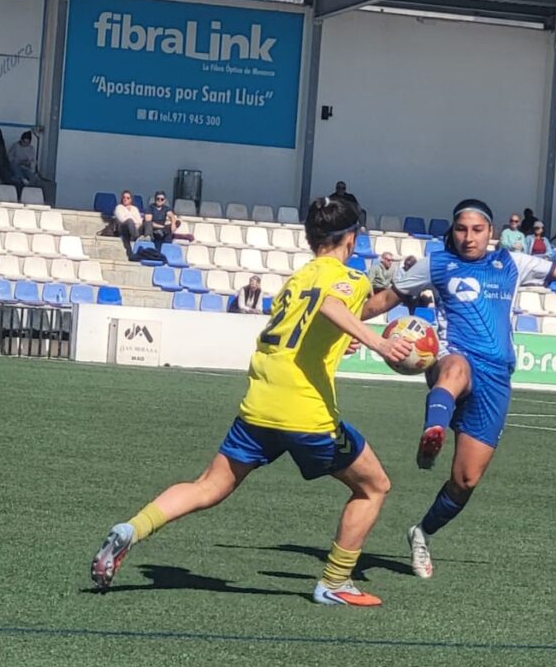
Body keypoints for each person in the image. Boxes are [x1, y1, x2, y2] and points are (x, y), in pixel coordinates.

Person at [90, 196, 413, 606]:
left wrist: (382, 304)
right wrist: (379, 344)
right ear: (351, 239)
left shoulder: (299, 279)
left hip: (260, 401)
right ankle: (335, 581)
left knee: (209, 485)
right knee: (374, 486)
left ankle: (132, 529)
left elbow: (328, 315)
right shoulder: (348, 279)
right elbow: (336, 305)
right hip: (305, 412)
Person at [361, 198, 556, 579]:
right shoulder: (435, 263)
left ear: (492, 231)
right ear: (452, 231)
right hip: (455, 358)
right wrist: (347, 322)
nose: (468, 237)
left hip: (496, 378)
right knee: (453, 368)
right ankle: (433, 428)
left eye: (477, 230)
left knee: (465, 480)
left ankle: (422, 532)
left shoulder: (511, 263)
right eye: (461, 229)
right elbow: (386, 300)